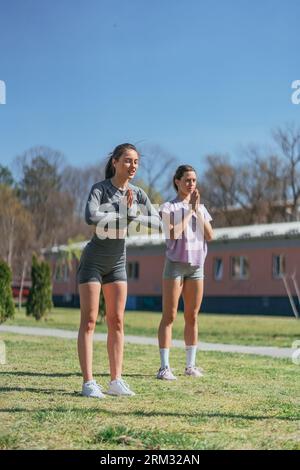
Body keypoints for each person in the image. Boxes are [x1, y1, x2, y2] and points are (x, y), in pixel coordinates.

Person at [77, 143, 160, 397]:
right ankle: (89, 383)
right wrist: (122, 213)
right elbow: (90, 216)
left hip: (117, 264)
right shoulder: (100, 189)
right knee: (90, 321)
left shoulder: (138, 193)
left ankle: (116, 381)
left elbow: (158, 223)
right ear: (115, 162)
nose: (132, 166)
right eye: (127, 160)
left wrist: (134, 216)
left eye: (136, 161)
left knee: (117, 321)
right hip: (93, 262)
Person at [157, 165, 214, 380]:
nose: (191, 184)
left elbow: (210, 236)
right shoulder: (167, 207)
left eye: (194, 180)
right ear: (177, 181)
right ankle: (164, 368)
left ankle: (190, 366)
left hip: (196, 265)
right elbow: (173, 233)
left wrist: (197, 210)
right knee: (169, 315)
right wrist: (189, 209)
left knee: (192, 316)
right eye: (187, 180)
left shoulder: (202, 208)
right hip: (175, 264)